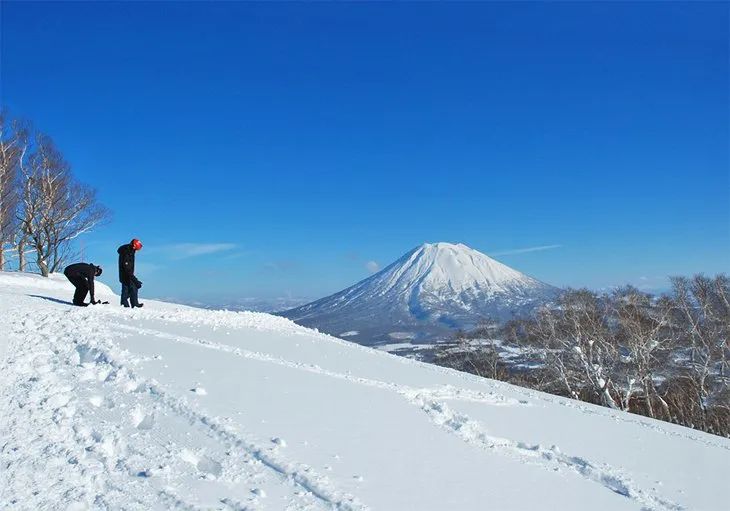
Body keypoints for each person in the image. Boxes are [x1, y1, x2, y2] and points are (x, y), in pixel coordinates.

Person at [118, 238, 144, 308]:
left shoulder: (130, 251)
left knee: (130, 288)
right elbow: (126, 268)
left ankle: (133, 304)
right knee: (130, 288)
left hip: (128, 274)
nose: (136, 251)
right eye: (136, 249)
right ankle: (126, 305)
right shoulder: (127, 252)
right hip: (126, 274)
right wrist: (135, 280)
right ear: (134, 246)